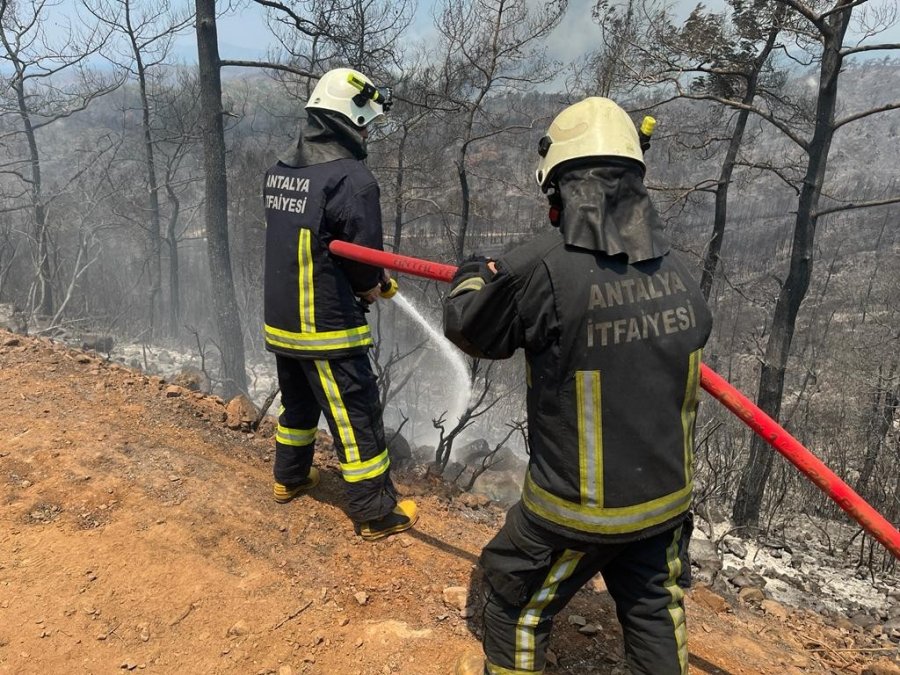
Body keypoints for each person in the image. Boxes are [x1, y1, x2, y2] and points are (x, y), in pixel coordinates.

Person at [444, 97, 713, 675]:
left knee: (514, 607)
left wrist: (472, 276)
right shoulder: (678, 272)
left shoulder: (541, 267)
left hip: (575, 512)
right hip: (665, 503)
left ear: (559, 187)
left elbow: (470, 327)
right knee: (653, 613)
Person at [262, 67, 417, 541]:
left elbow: (311, 241)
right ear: (348, 119)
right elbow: (363, 258)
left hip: (283, 320)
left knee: (299, 404)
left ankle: (289, 479)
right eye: (365, 121)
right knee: (356, 413)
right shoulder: (352, 179)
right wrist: (374, 284)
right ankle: (374, 512)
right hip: (326, 326)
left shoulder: (282, 170)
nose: (367, 131)